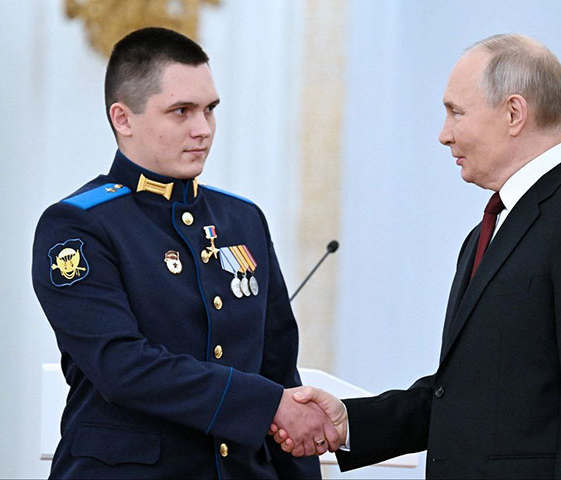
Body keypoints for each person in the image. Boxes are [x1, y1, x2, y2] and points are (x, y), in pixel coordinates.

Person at [270, 33, 561, 478]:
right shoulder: (488, 231)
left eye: (456, 112)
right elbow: (464, 394)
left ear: (514, 113)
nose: (444, 134)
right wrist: (349, 422)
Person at [32, 27, 340, 479]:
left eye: (210, 109)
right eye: (181, 111)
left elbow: (278, 372)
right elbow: (121, 367)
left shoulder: (242, 220)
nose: (203, 129)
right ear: (123, 118)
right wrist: (266, 404)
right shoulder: (79, 226)